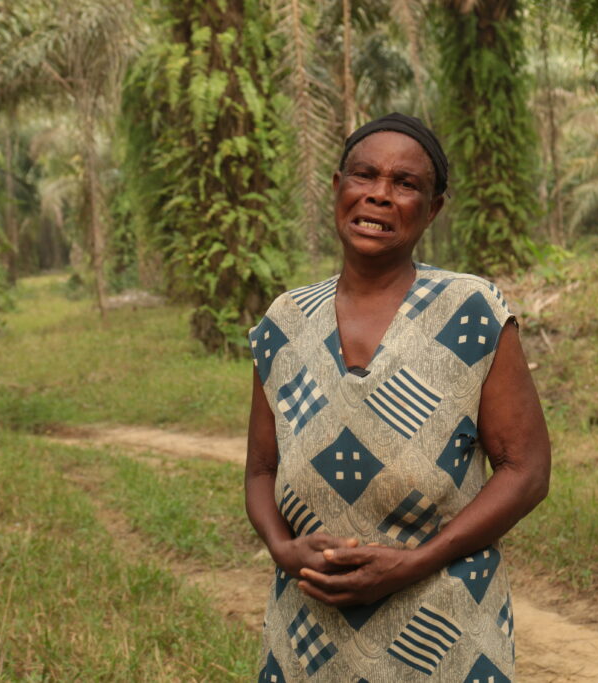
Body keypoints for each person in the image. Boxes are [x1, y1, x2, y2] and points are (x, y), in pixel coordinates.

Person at [245, 112, 551, 682]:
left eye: (406, 184)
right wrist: (283, 551)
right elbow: (262, 470)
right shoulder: (284, 322)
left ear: (432, 210)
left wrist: (412, 564)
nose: (380, 195)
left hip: (443, 625)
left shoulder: (472, 310)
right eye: (364, 175)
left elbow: (525, 470)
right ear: (338, 188)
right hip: (309, 629)